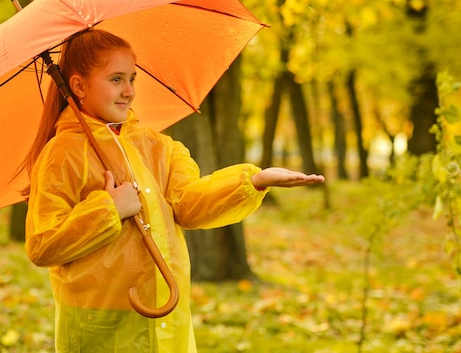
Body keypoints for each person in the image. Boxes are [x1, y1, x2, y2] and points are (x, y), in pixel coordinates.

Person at [23, 29, 325, 353]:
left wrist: (253, 181)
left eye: (132, 79)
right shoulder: (62, 154)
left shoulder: (158, 146)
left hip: (167, 316)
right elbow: (43, 245)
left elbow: (188, 205)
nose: (128, 91)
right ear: (79, 85)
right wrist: (108, 209)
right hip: (101, 325)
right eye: (116, 79)